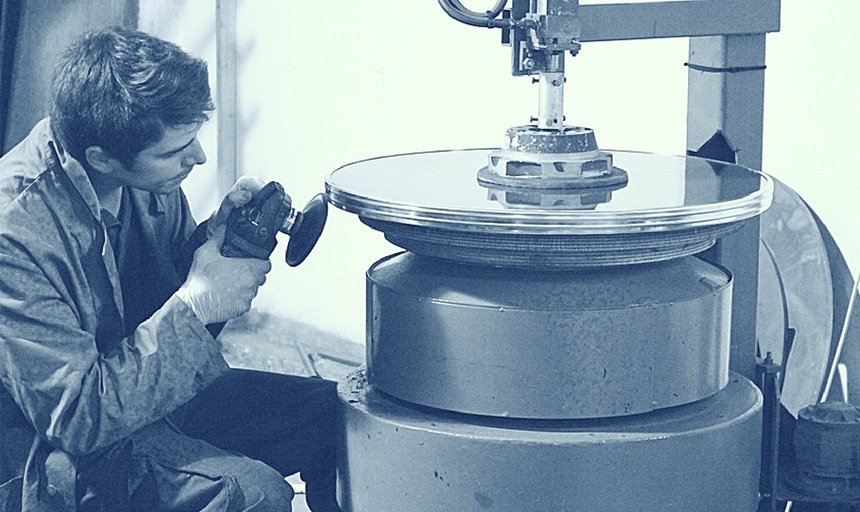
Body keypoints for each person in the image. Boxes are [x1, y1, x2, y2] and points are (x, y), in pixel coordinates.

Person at [0, 27, 341, 512]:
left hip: (143, 398)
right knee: (253, 494)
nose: (198, 157)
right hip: (56, 450)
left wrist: (221, 244)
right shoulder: (14, 235)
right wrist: (195, 304)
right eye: (174, 151)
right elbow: (77, 418)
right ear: (102, 157)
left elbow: (158, 316)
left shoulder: (141, 177)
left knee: (337, 417)